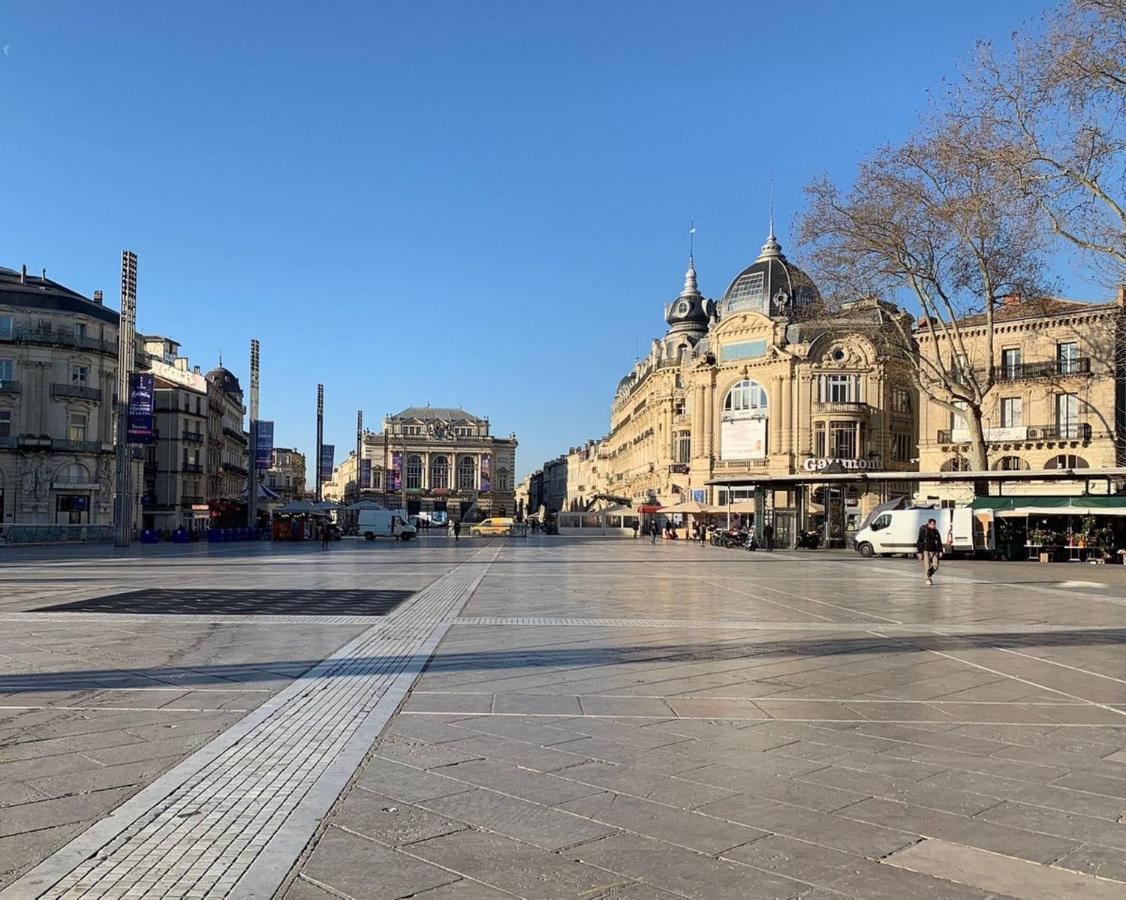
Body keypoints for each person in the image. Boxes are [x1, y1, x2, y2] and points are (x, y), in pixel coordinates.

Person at [917, 517, 943, 585]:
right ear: (929, 524)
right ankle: (927, 579)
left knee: (936, 566)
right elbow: (920, 541)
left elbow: (939, 541)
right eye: (933, 524)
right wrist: (919, 552)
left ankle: (929, 575)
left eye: (935, 524)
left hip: (934, 551)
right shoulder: (924, 530)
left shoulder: (936, 531)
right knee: (927, 566)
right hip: (926, 551)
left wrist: (940, 551)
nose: (934, 526)